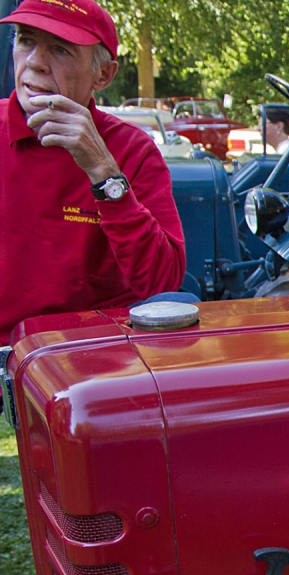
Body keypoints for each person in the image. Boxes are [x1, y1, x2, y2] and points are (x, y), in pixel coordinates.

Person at [0, 0, 187, 343]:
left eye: (60, 49)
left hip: (87, 355)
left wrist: (102, 170)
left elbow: (163, 285)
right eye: (26, 40)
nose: (36, 63)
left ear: (103, 75)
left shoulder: (132, 150)